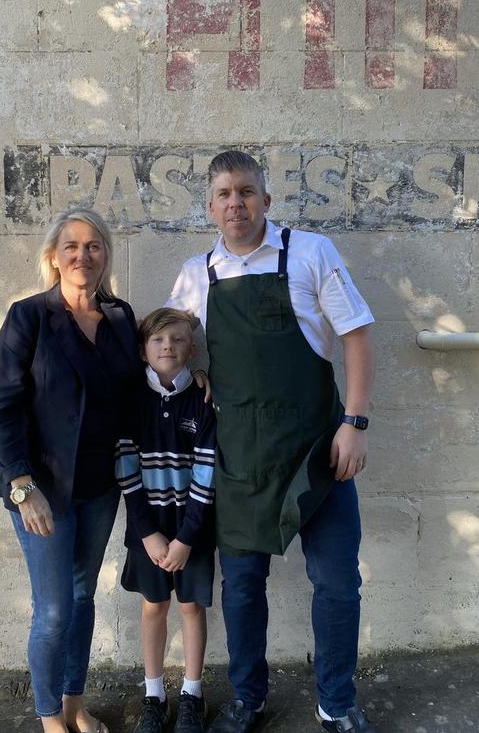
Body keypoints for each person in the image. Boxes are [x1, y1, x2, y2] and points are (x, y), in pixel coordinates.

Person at [166, 151, 377, 733]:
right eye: (226, 194)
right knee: (241, 588)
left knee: (337, 583)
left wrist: (354, 424)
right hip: (239, 462)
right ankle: (247, 698)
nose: (237, 203)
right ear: (211, 206)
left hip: (320, 454)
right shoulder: (196, 274)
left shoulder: (310, 252)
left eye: (247, 192)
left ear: (267, 198)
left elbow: (357, 336)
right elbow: (168, 350)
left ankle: (336, 702)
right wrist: (197, 368)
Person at [0, 208, 144, 733]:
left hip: (101, 488)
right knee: (54, 610)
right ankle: (49, 716)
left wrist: (193, 374)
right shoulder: (28, 316)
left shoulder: (121, 318)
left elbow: (144, 380)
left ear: (105, 256)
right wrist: (20, 485)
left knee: (82, 598)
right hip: (41, 489)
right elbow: (6, 406)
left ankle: (75, 704)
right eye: (72, 246)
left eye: (94, 246)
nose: (83, 255)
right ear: (55, 257)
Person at [115, 308, 216, 733]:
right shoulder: (131, 400)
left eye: (176, 339)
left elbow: (207, 471)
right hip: (149, 532)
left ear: (192, 349)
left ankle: (193, 693)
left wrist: (187, 537)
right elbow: (126, 470)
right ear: (142, 350)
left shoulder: (204, 398)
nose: (167, 346)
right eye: (157, 340)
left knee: (191, 606)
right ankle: (153, 694)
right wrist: (150, 534)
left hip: (192, 531)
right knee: (154, 605)